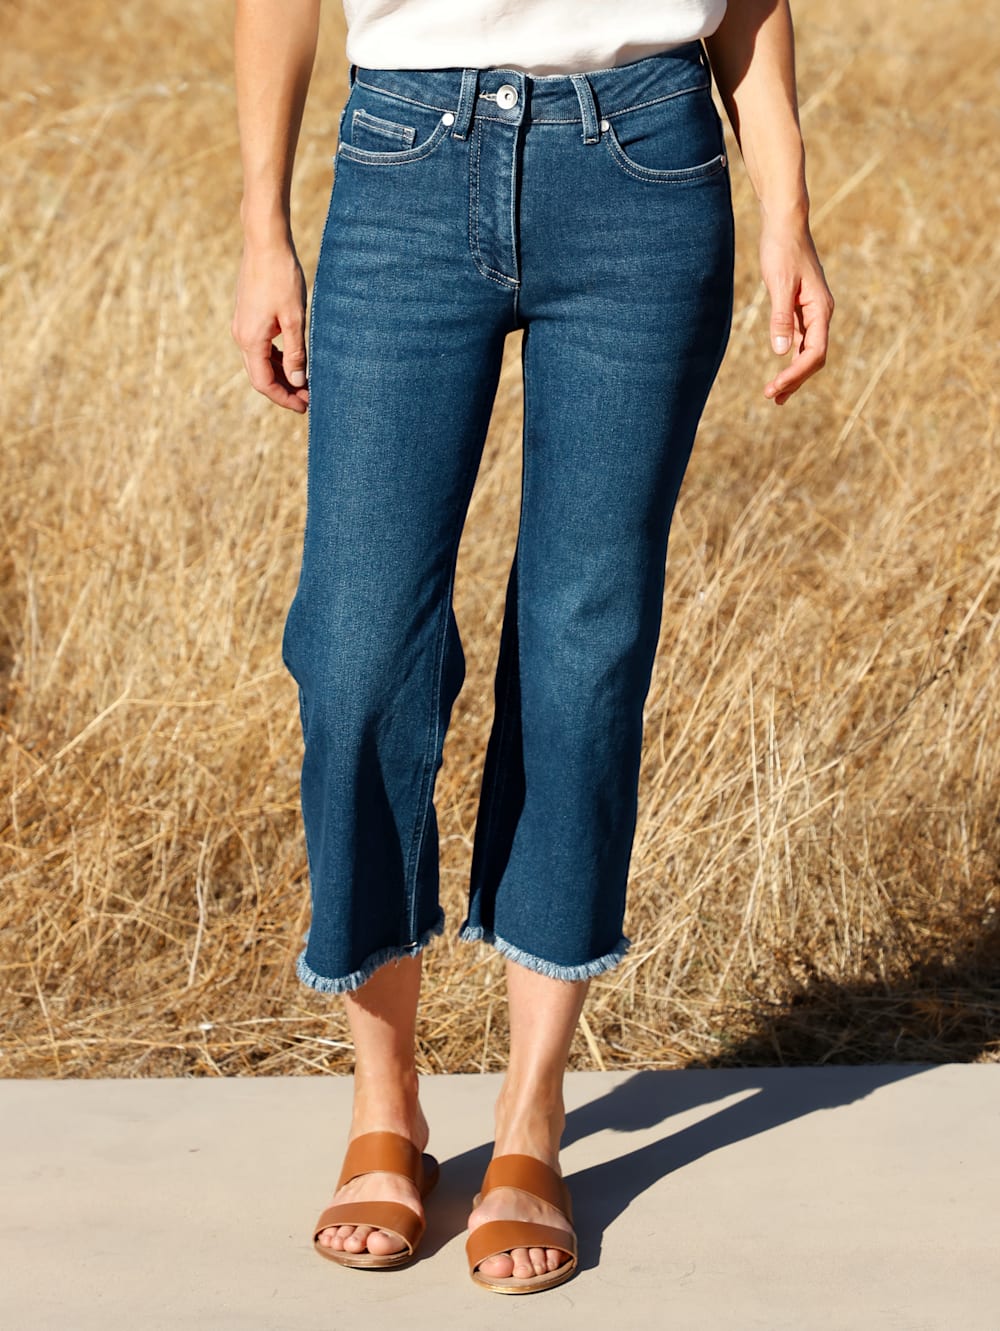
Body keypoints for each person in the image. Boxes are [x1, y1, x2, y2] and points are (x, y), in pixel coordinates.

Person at [231, 0, 833, 1295]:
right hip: (404, 158)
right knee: (354, 655)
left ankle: (529, 1117)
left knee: (584, 649)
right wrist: (261, 227)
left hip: (645, 162)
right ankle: (385, 1104)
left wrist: (787, 209)